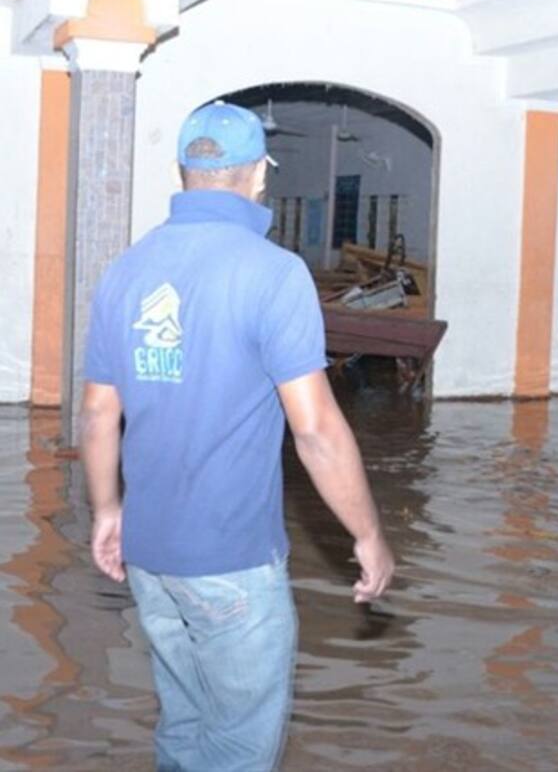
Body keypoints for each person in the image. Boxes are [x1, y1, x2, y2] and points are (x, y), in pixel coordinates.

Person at [79, 101, 395, 771]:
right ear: (257, 178)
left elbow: (98, 414)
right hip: (231, 562)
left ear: (182, 172)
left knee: (183, 723)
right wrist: (366, 535)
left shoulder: (124, 271)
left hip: (151, 555)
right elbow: (316, 431)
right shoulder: (274, 273)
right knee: (237, 750)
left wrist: (109, 511)